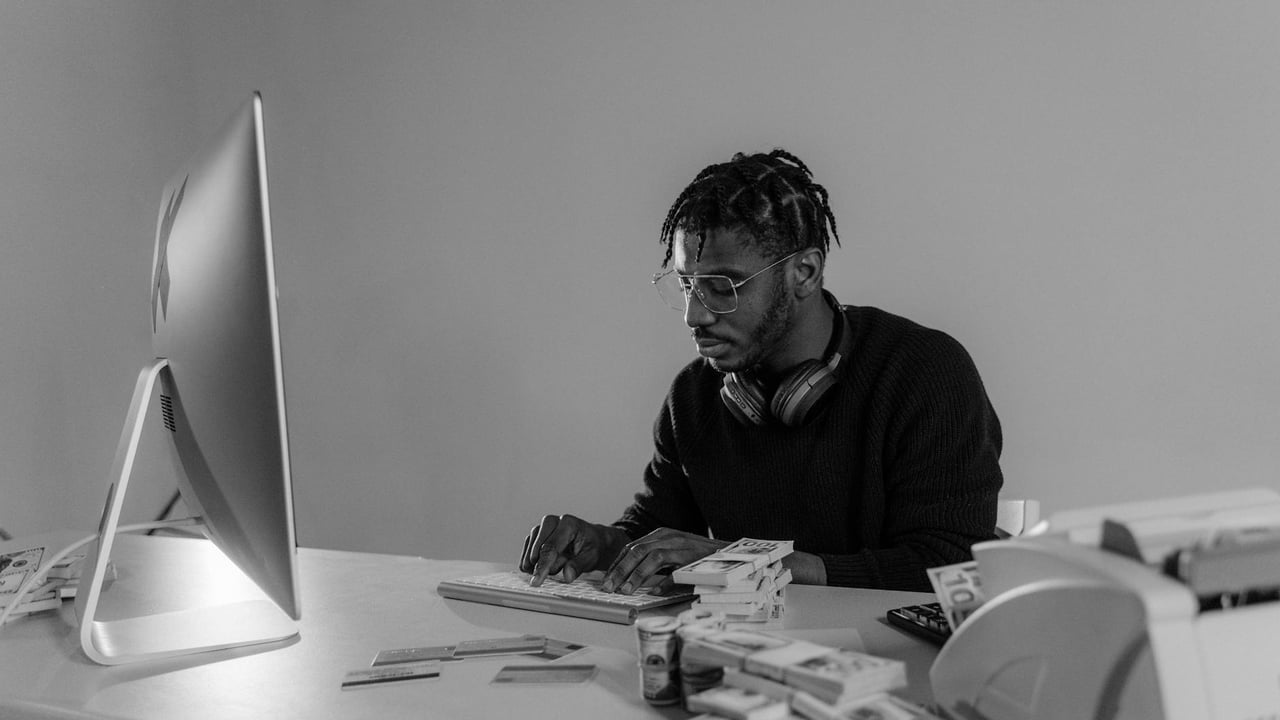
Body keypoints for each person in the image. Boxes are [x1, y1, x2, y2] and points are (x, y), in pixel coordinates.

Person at [519, 149, 1003, 593]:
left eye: (722, 285)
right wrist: (604, 546)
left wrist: (749, 562)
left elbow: (950, 564)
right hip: (747, 663)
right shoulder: (693, 396)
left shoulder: (925, 373)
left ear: (805, 273)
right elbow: (656, 529)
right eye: (686, 284)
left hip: (887, 669)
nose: (695, 315)